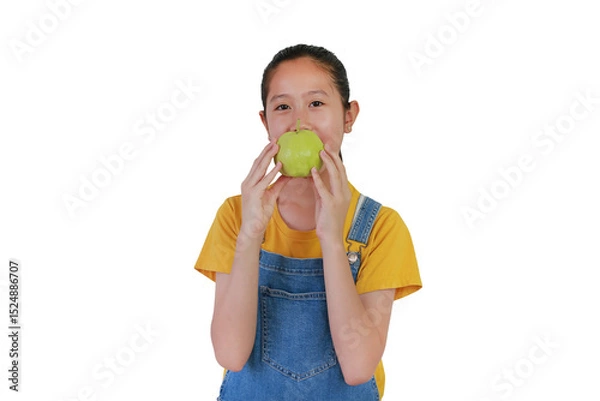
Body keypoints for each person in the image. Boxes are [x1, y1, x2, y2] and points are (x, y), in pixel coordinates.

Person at [194, 44, 422, 400]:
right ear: (265, 122)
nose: (299, 122)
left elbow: (358, 367)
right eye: (283, 106)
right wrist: (250, 235)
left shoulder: (381, 227)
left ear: (349, 116)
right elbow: (230, 355)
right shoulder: (235, 217)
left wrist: (332, 239)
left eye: (316, 103)